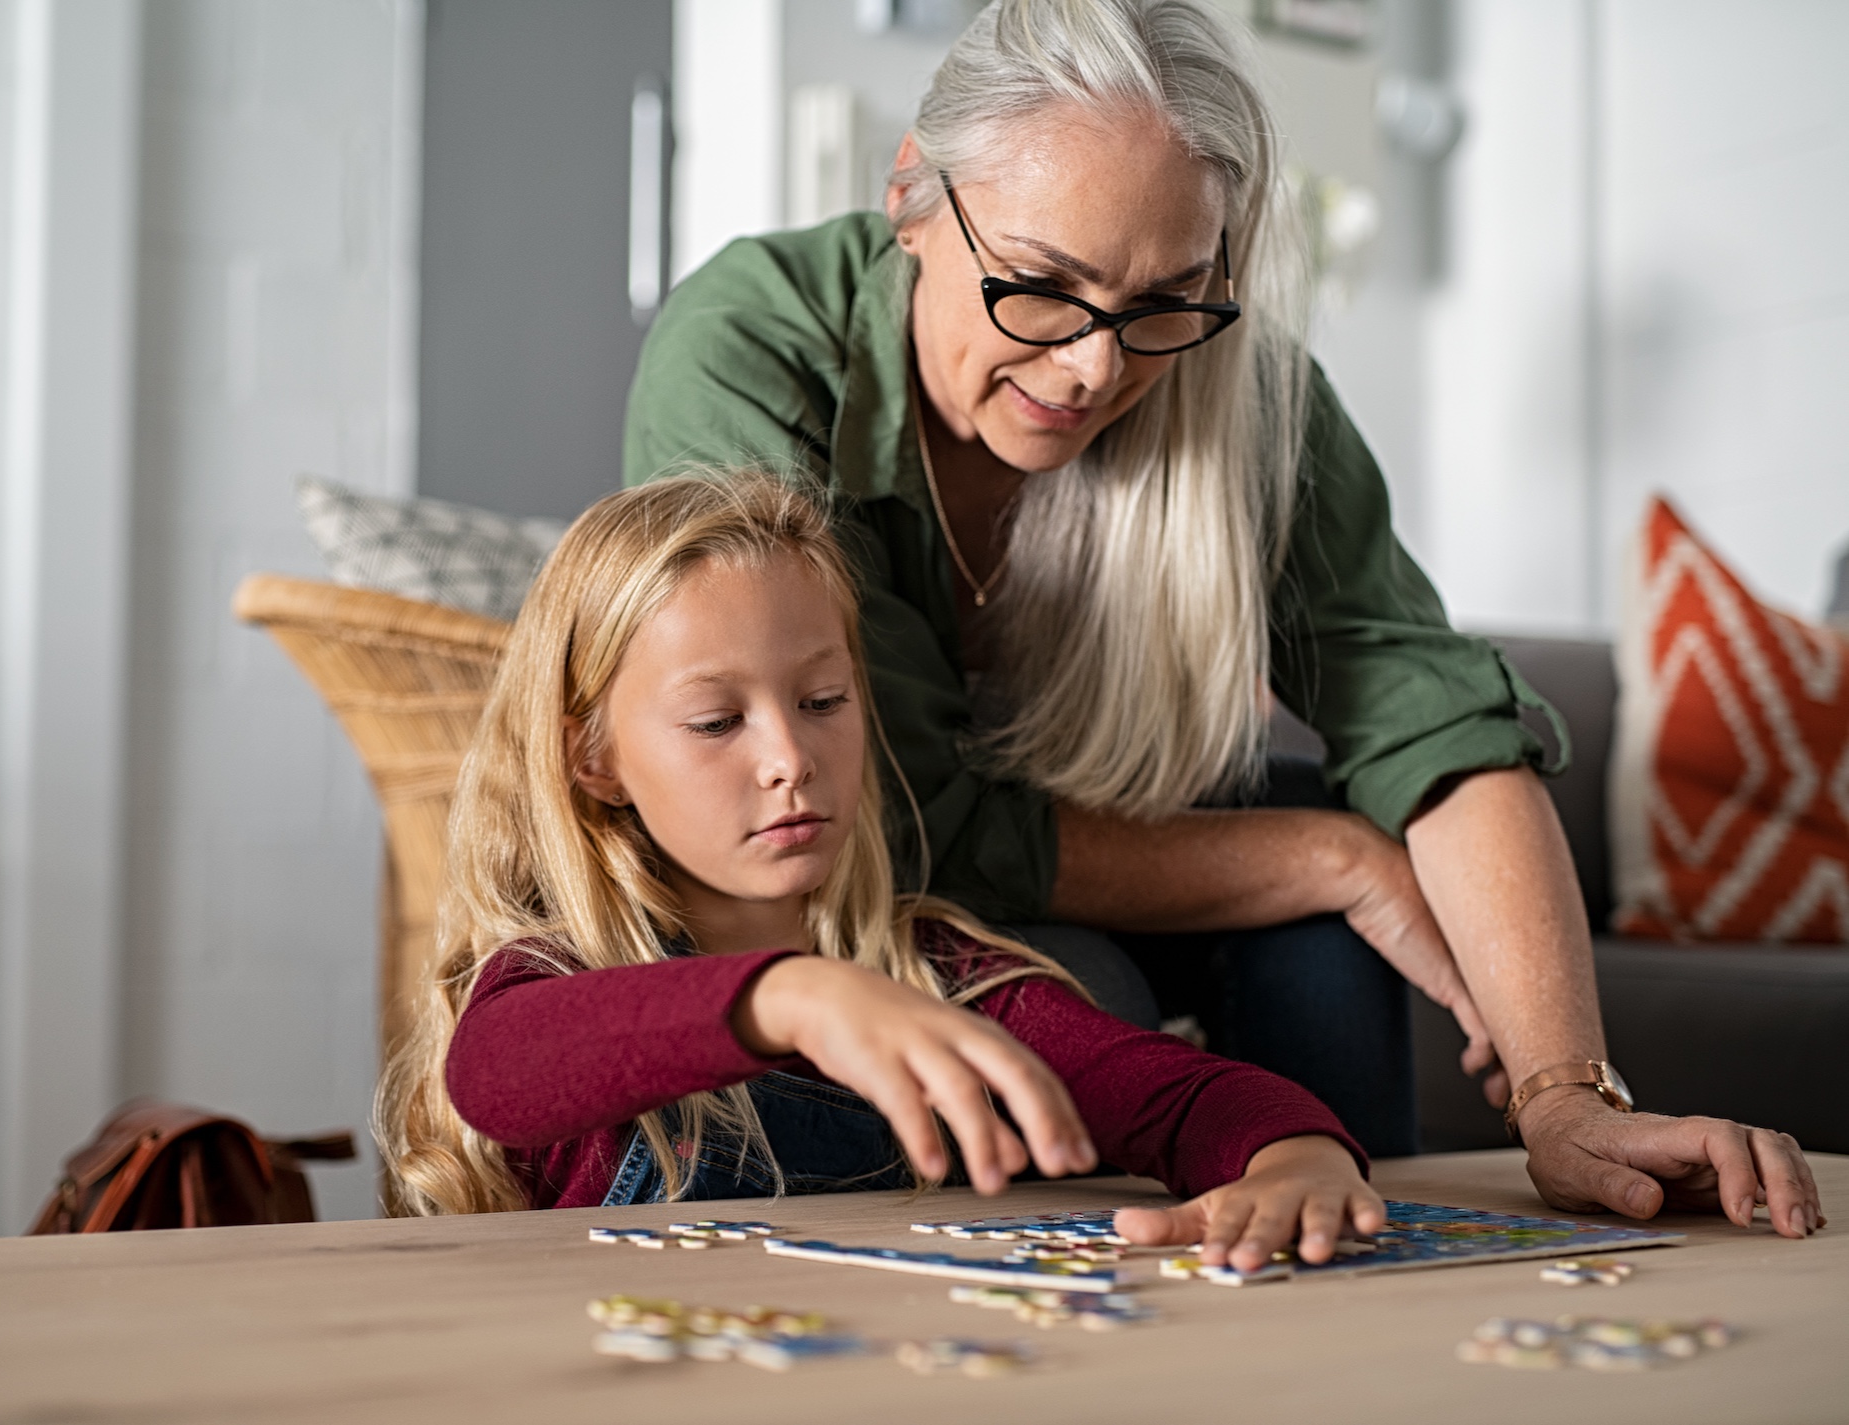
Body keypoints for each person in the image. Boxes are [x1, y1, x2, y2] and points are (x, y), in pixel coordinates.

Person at [623, 0, 1821, 1233]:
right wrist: (1335, 859)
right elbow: (887, 814)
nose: (1097, 370)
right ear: (911, 197)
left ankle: (1363, 1278)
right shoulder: (748, 347)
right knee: (1091, 986)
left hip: (1108, 838)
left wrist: (1567, 1097)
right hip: (863, 894)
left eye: (1164, 301)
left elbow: (1434, 724)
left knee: (1320, 948)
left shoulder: (1247, 393)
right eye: (1040, 288)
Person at [375, 473, 1389, 1272]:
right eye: (716, 721)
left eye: (822, 700)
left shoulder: (942, 974)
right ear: (593, 758)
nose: (789, 757)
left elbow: (1175, 1098)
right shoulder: (551, 981)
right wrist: (790, 997)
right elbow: (495, 1072)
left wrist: (1295, 1158)